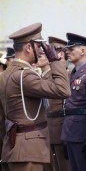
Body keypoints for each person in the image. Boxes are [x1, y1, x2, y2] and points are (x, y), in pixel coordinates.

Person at [0, 22, 71, 171]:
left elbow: (2, 118)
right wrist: (55, 61)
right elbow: (63, 90)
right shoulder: (25, 76)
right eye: (38, 47)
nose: (41, 51)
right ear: (28, 47)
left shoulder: (5, 75)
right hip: (29, 152)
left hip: (12, 149)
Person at [61, 33, 86, 171]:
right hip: (71, 132)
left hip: (82, 135)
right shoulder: (74, 72)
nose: (67, 52)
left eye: (71, 49)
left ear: (83, 51)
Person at [37, 36, 70, 171]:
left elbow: (67, 105)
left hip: (59, 130)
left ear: (60, 54)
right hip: (48, 130)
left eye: (44, 53)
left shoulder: (62, 76)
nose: (40, 55)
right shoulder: (43, 76)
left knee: (63, 167)